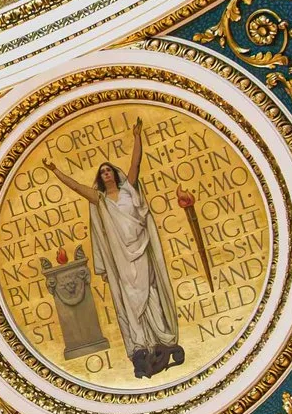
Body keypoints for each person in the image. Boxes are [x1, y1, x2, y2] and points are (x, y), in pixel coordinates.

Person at [41, 117, 185, 378]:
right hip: (121, 258)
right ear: (100, 177)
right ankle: (140, 346)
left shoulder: (129, 189)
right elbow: (75, 186)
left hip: (140, 249)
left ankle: (164, 338)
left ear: (115, 174)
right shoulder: (101, 200)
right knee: (130, 298)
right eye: (103, 172)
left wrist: (137, 136)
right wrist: (55, 171)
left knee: (150, 291)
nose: (107, 173)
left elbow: (136, 163)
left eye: (109, 170)